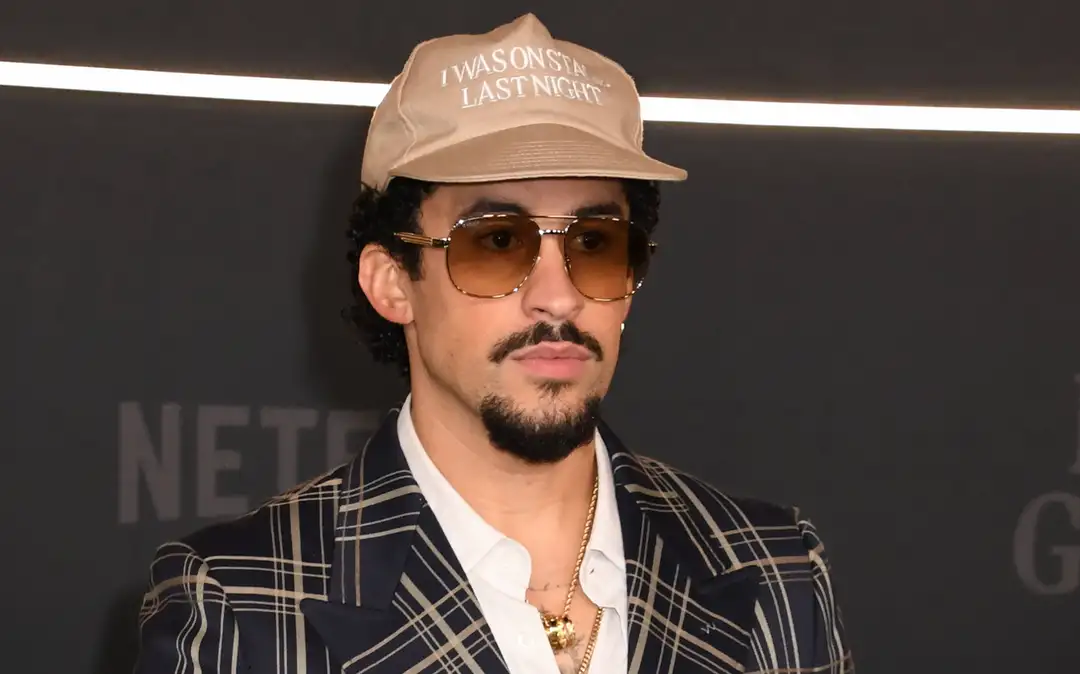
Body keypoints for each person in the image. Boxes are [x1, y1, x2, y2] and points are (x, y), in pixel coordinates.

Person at [133, 13, 853, 674]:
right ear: (393, 283)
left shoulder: (773, 572)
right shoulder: (242, 604)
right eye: (497, 243)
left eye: (595, 244)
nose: (558, 296)